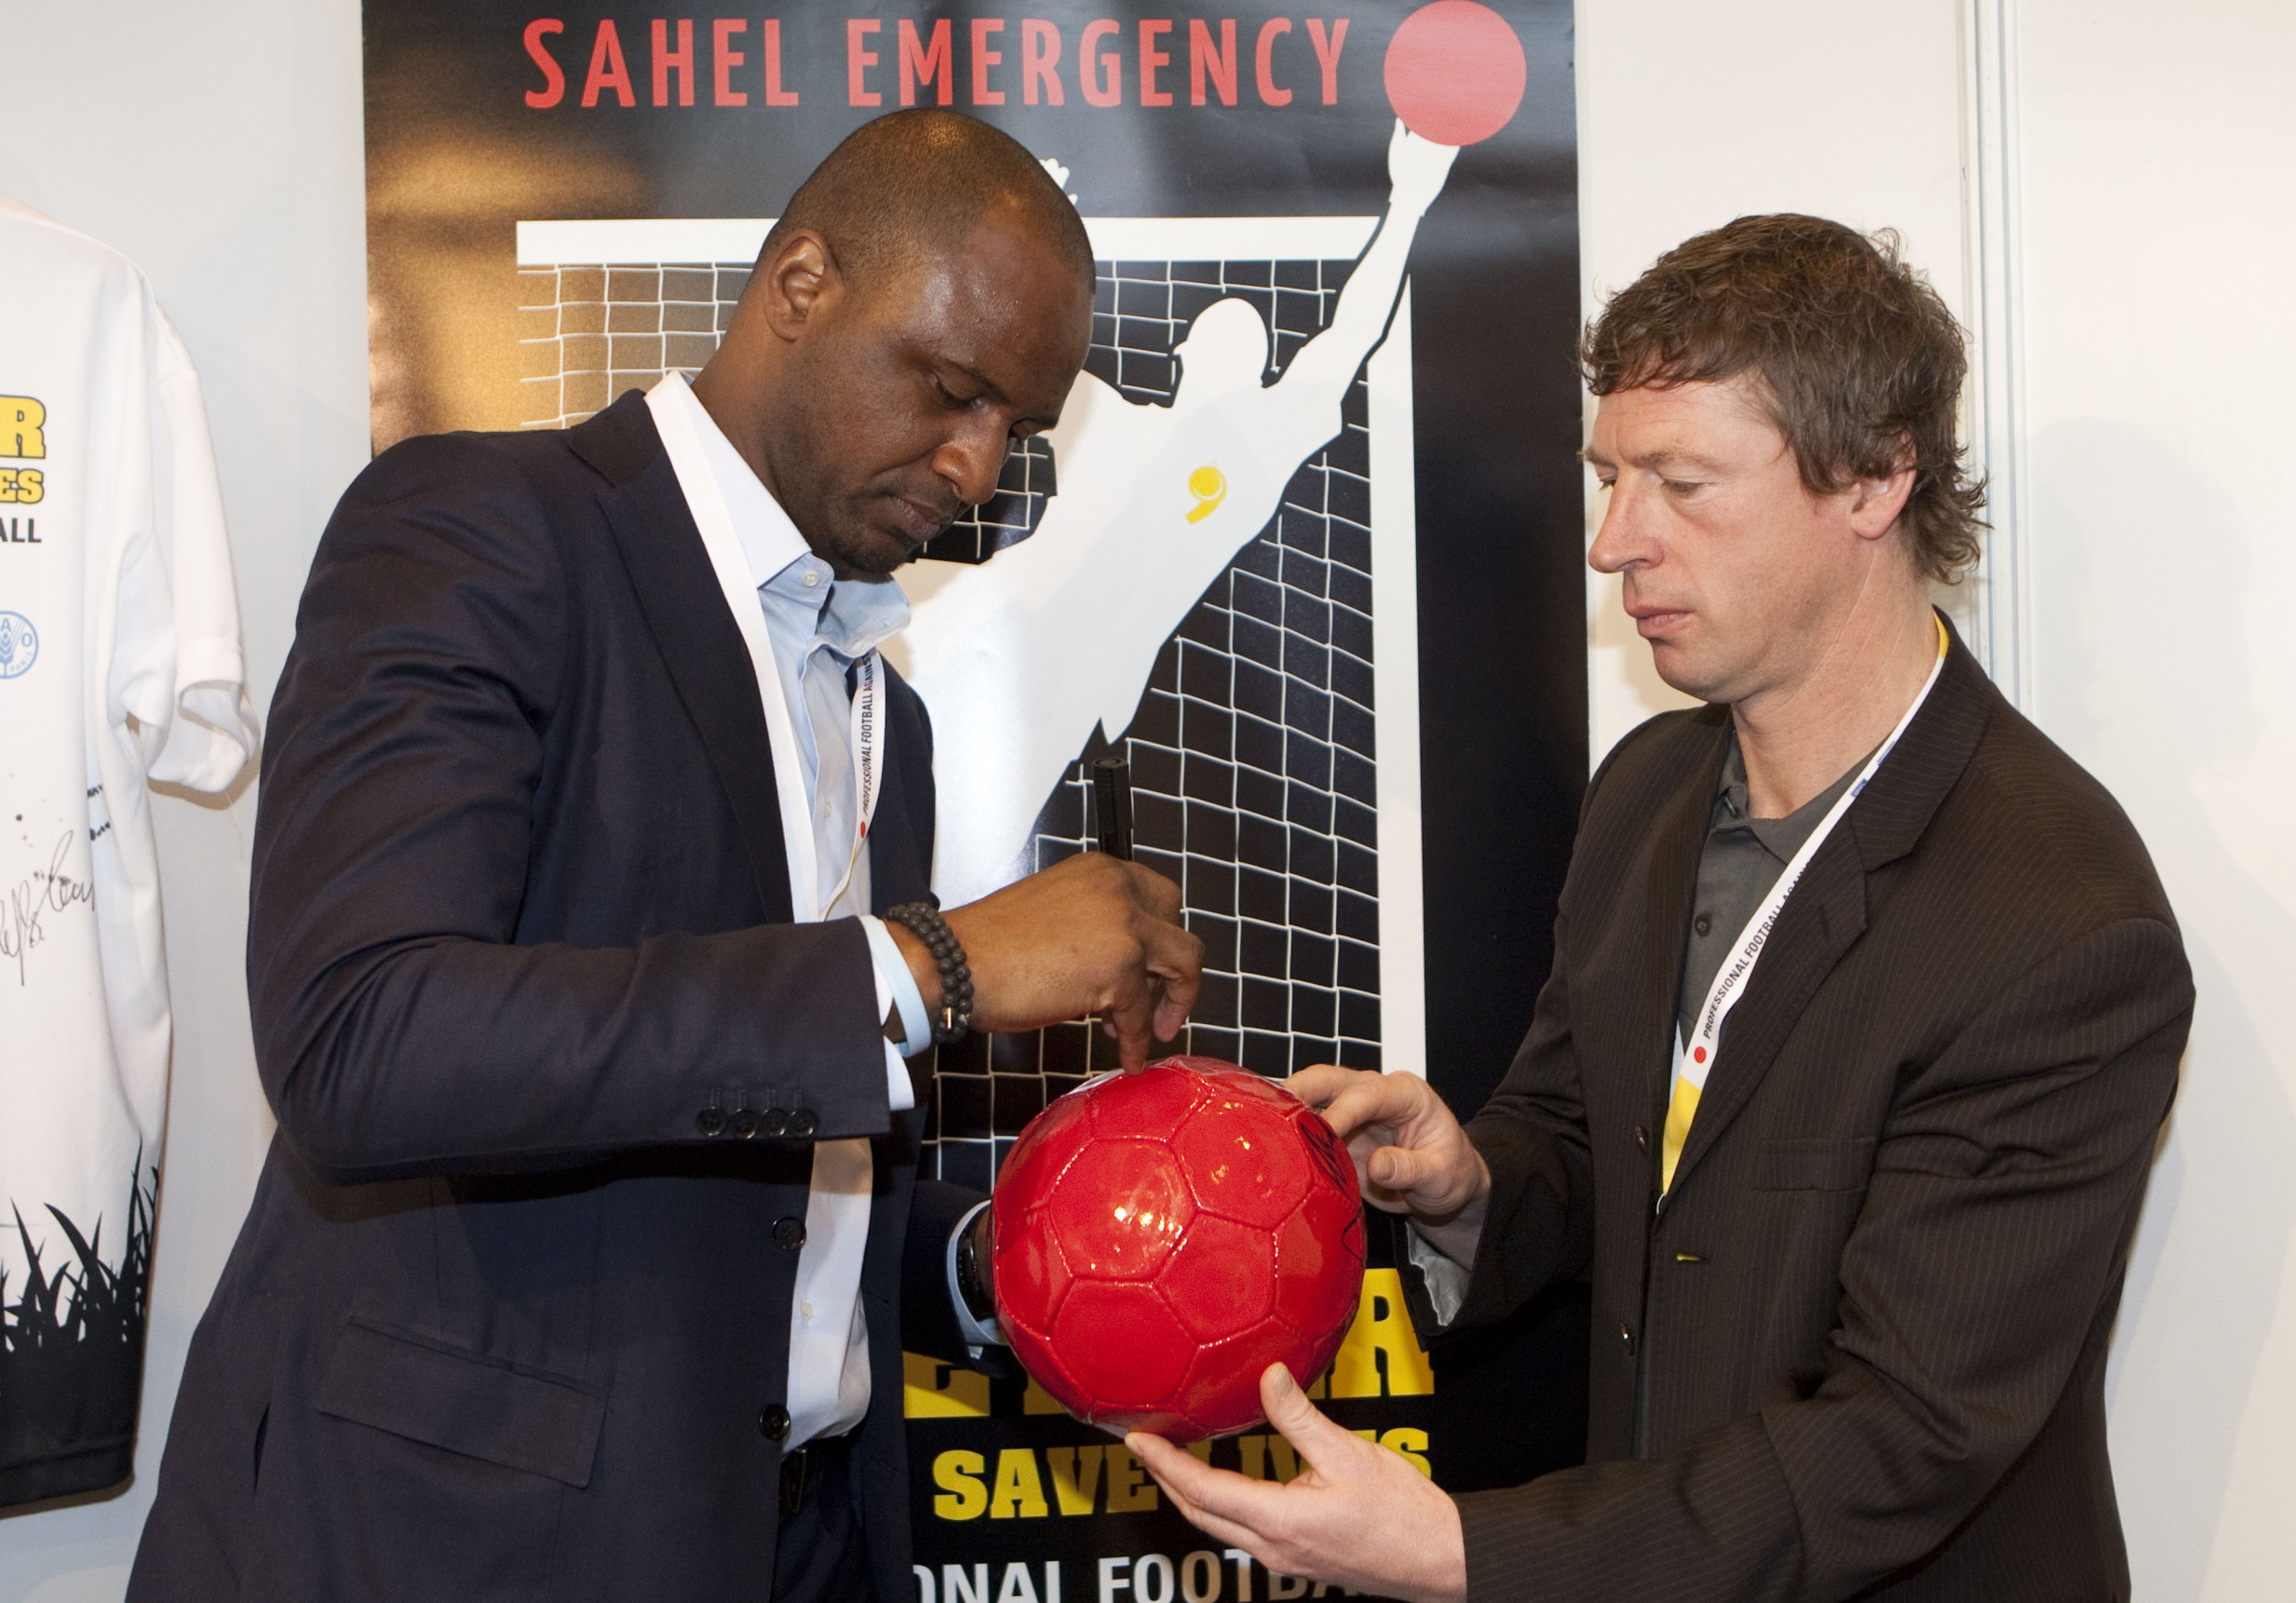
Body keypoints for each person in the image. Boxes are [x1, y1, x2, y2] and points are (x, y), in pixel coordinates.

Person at [128, 111, 1201, 1603]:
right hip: (456, 1550)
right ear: (802, 283)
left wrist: (1018, 1263)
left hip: (795, 1537)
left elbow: (760, 1186)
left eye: (1013, 427)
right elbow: (359, 1042)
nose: (973, 463)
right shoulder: (478, 529)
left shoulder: (882, 702)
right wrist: (934, 963)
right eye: (952, 389)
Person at [1128, 214, 2192, 1601]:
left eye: (1681, 483)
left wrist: (1468, 1550)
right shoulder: (1647, 787)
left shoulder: (2060, 926)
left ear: (1874, 477)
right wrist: (1471, 1184)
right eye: (1607, 476)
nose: (1611, 541)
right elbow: (1591, 1141)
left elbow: (1903, 1435)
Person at [897, 120, 1456, 905]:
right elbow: (1004, 333)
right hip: (966, 622)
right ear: (1185, 360)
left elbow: (1351, 335)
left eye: (1247, 347)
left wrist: (1410, 205)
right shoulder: (1108, 420)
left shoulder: (1252, 458)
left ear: (1260, 374)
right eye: (1216, 339)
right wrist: (1024, 212)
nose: (1230, 353)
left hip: (1059, 688)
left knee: (942, 887)